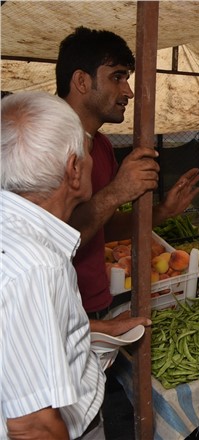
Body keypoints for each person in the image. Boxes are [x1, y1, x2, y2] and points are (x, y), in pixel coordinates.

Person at [56, 27, 199, 333]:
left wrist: (162, 212)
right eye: (117, 77)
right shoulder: (47, 144)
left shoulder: (103, 146)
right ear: (82, 81)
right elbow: (52, 236)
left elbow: (102, 228)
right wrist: (118, 190)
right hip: (57, 307)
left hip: (94, 300)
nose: (129, 92)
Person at [1, 91, 106, 438]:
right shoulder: (36, 267)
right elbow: (34, 427)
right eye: (86, 150)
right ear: (74, 169)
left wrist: (90, 330)